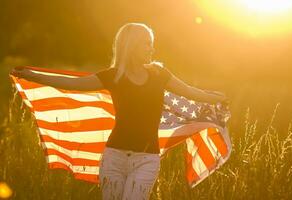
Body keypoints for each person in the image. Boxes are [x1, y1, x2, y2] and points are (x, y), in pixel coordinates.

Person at [10, 22, 229, 200]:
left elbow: (190, 91)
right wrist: (33, 76)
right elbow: (72, 84)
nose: (151, 49)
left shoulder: (159, 74)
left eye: (151, 44)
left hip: (146, 159)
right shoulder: (113, 76)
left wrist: (218, 97)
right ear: (131, 46)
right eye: (146, 44)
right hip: (114, 158)